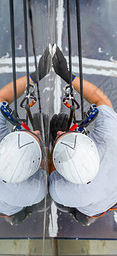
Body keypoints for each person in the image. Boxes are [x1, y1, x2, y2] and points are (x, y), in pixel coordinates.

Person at [49, 47, 117, 226]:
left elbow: (48, 174)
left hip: (98, 202)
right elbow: (101, 101)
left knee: (65, 206)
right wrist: (69, 77)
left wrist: (52, 142)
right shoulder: (108, 138)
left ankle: (86, 217)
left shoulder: (65, 192)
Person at [0, 49, 51, 224]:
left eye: (31, 135)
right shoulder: (34, 191)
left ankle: (13, 218)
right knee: (45, 201)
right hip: (13, 205)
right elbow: (48, 169)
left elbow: (1, 99)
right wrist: (47, 146)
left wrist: (34, 77)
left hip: (10, 204)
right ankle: (14, 217)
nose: (37, 131)